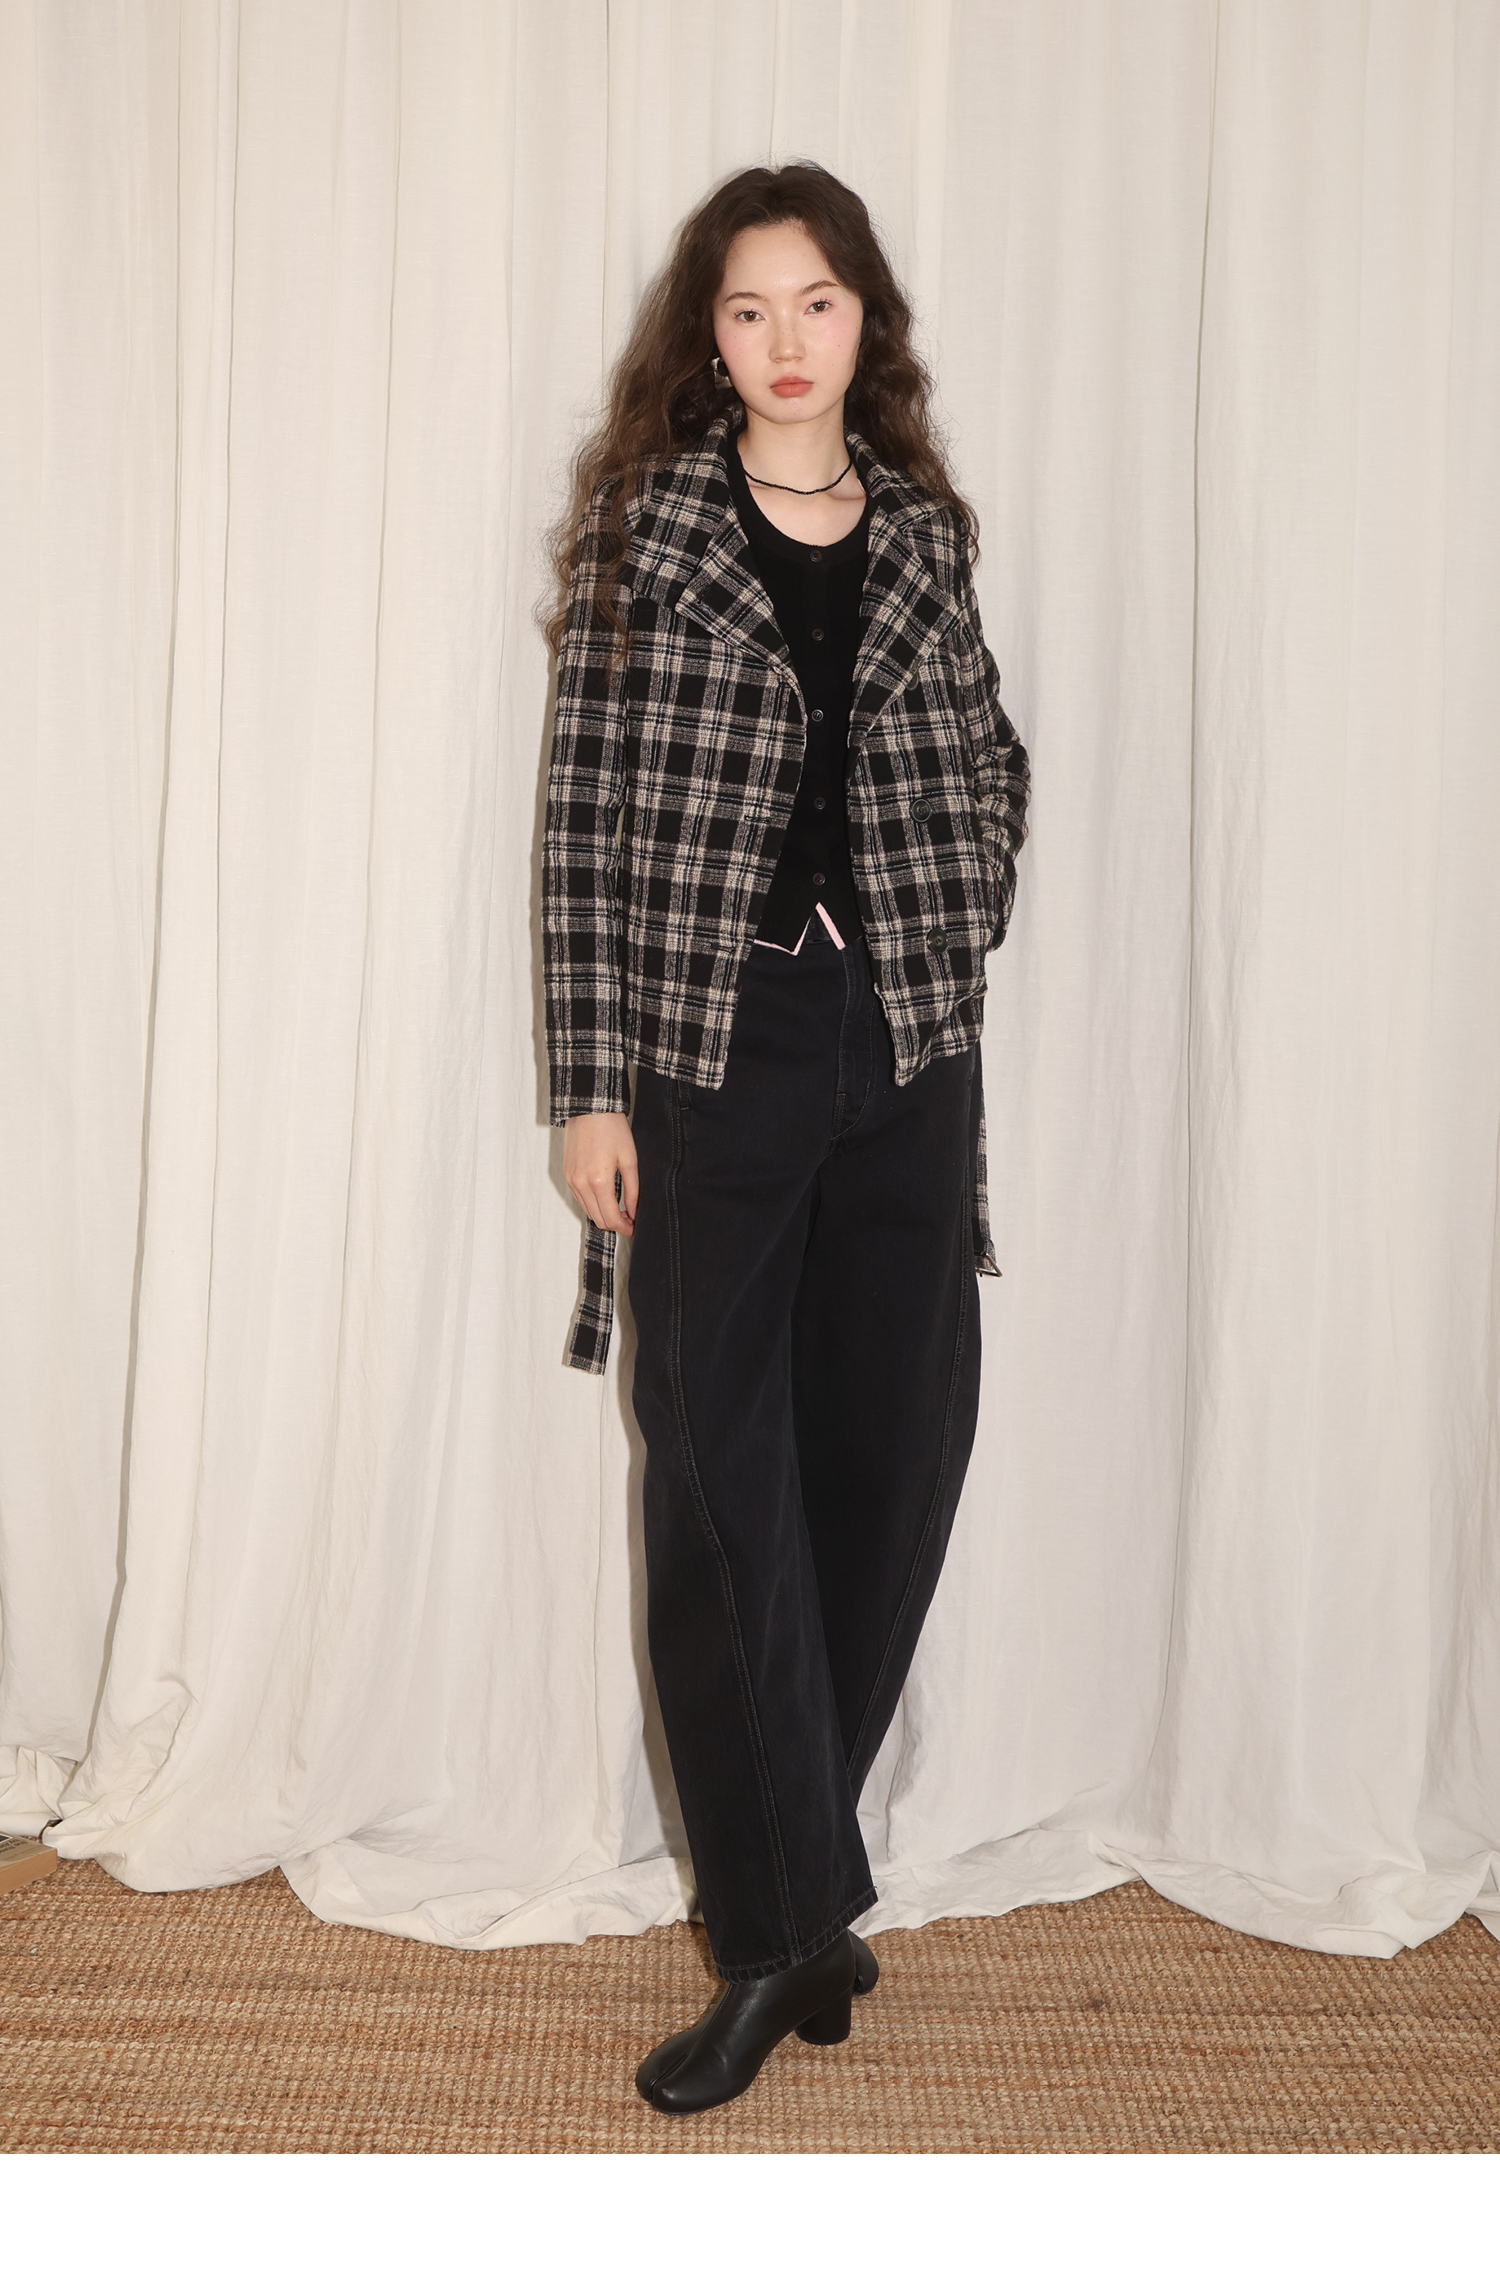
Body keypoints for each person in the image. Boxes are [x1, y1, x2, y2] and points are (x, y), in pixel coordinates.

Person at [539, 160, 1030, 2115]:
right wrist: (592, 1082)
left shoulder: (920, 533)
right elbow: (582, 814)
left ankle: (805, 1881)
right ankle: (771, 1936)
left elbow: (991, 753)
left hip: (905, 1046)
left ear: (863, 320)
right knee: (713, 1470)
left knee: (892, 1449)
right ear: (711, 337)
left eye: (816, 303)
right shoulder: (653, 530)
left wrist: (960, 900)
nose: (785, 341)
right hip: (711, 1042)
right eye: (748, 310)